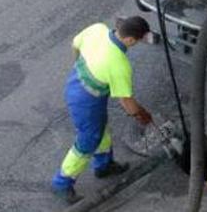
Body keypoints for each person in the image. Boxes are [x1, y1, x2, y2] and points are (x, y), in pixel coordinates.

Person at [50, 16, 154, 204]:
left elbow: (75, 45)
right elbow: (127, 102)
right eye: (138, 41)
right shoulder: (119, 64)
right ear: (130, 40)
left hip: (76, 82)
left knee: (101, 128)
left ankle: (103, 165)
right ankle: (61, 182)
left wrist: (86, 69)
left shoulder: (97, 29)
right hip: (85, 101)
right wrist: (142, 115)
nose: (136, 45)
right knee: (87, 140)